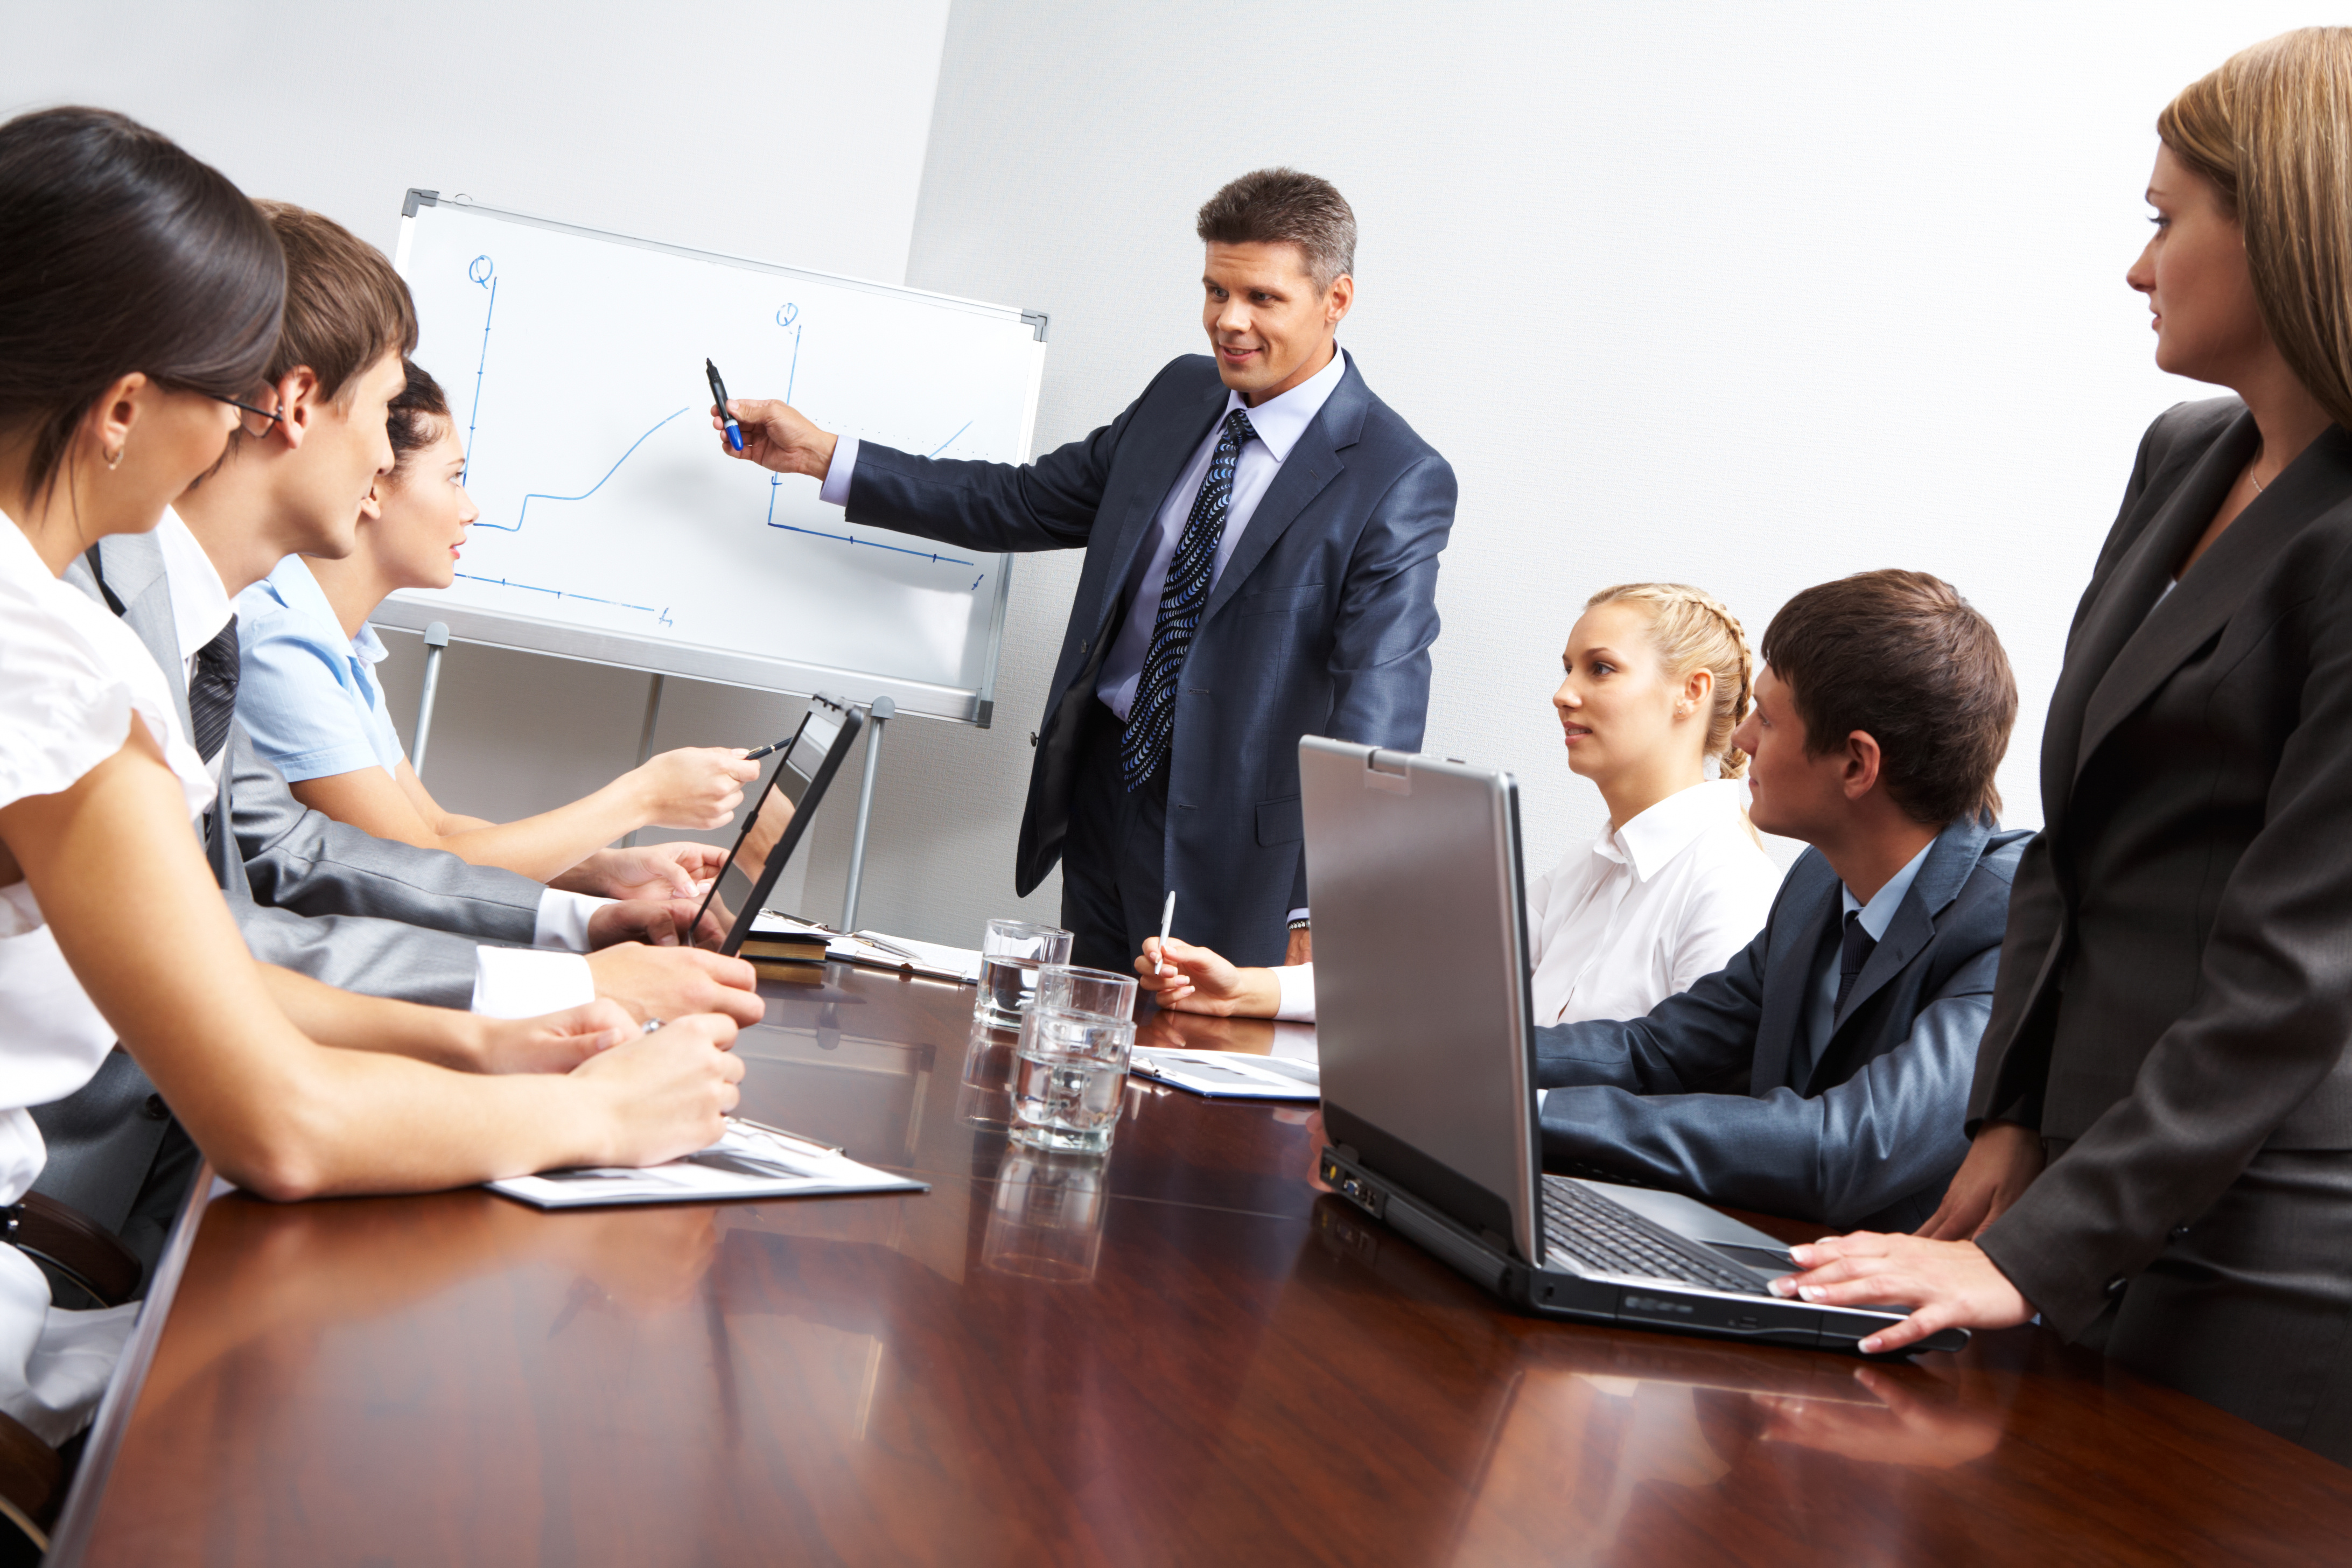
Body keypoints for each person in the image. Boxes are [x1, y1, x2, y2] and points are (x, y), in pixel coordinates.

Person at [0, 107, 744, 1443]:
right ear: (123, 409)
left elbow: (227, 960)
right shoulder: (55, 666)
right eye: (224, 396)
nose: (234, 432)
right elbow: (280, 1126)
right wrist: (600, 1112)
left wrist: (488, 1042)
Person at [1782, 31, 2352, 1458]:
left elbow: (2298, 977)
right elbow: (2073, 837)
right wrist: (2011, 1123)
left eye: (2167, 221)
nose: (2137, 265)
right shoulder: (2181, 457)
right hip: (2078, 1181)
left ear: (2286, 227)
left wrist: (2032, 1254)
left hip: (2262, 1242)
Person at [716, 168, 1456, 971]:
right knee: (1085, 1033)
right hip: (1105, 785)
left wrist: (1330, 900)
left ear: (1336, 300)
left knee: (1201, 1075)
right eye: (1215, 291)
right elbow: (1023, 501)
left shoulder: (1394, 477)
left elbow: (1379, 709)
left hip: (1240, 853)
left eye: (1262, 299)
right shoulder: (1181, 393)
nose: (1229, 323)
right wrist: (823, 454)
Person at [1532, 571, 2025, 1234]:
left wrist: (1528, 1113)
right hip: (1772, 1255)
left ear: (1857, 764)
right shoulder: (1817, 883)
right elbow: (1661, 1051)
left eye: (1767, 717)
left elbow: (1847, 1148)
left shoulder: (2009, 923)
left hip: (1912, 1322)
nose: (1740, 740)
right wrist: (1466, 1061)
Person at [1136, 583, 1781, 1027]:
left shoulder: (1728, 883)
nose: (1563, 693)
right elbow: (1428, 975)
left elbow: (1692, 1087)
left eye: (1601, 669)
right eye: (1567, 667)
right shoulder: (1587, 869)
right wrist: (1242, 988)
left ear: (1690, 693)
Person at [234, 353, 763, 883]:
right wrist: (643, 797)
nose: (471, 509)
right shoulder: (281, 643)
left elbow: (435, 825)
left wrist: (608, 868)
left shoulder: (338, 642)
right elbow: (415, 861)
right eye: (453, 478)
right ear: (373, 481)